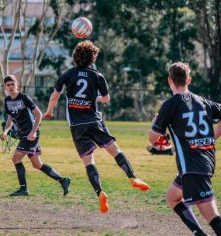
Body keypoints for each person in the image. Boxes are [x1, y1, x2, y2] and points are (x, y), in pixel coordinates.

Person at [44, 40, 150, 213]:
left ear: (75, 56)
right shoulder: (97, 76)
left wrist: (49, 111)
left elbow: (55, 96)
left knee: (88, 161)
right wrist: (93, 99)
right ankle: (133, 177)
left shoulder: (68, 74)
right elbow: (106, 99)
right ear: (93, 58)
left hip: (77, 125)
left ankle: (100, 192)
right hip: (94, 121)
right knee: (115, 150)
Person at [149, 62, 221, 236]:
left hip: (192, 166)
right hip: (203, 162)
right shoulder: (203, 101)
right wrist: (213, 138)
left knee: (213, 217)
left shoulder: (170, 105)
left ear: (169, 81)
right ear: (189, 79)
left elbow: (153, 138)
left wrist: (156, 120)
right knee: (173, 197)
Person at [0, 75, 71, 197]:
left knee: (16, 158)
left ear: (17, 85)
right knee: (37, 164)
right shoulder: (7, 101)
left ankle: (23, 189)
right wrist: (5, 131)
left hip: (31, 134)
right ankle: (62, 180)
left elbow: (39, 114)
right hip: (23, 135)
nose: (10, 87)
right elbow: (10, 119)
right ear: (5, 87)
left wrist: (33, 131)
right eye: (8, 85)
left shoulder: (24, 98)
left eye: (12, 84)